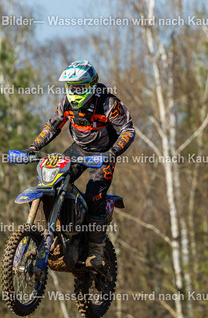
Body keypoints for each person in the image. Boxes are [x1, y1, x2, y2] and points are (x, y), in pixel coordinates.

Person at [24, 60, 135, 268]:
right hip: (79, 149)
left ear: (91, 85)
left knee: (94, 193)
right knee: (53, 180)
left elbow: (128, 130)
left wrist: (112, 153)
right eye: (71, 87)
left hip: (103, 153)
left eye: (80, 88)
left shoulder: (108, 103)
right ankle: (55, 235)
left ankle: (95, 250)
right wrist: (33, 147)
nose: (75, 92)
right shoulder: (66, 102)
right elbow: (52, 126)